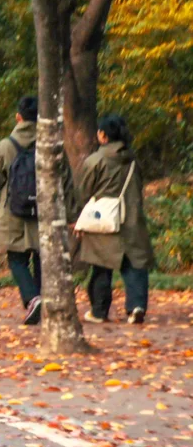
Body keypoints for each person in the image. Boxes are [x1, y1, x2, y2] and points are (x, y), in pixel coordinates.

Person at [75, 114, 152, 324]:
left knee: (101, 265)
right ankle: (136, 306)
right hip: (131, 220)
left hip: (103, 220)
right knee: (134, 264)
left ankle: (99, 311)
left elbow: (83, 192)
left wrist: (79, 217)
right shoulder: (133, 160)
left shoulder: (95, 161)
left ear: (103, 135)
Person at [0, 96, 44, 325]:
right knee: (42, 257)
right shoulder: (50, 143)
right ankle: (42, 300)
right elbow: (64, 179)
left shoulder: (4, 147)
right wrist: (71, 213)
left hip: (13, 210)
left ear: (18, 117)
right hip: (44, 210)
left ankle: (33, 298)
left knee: (17, 259)